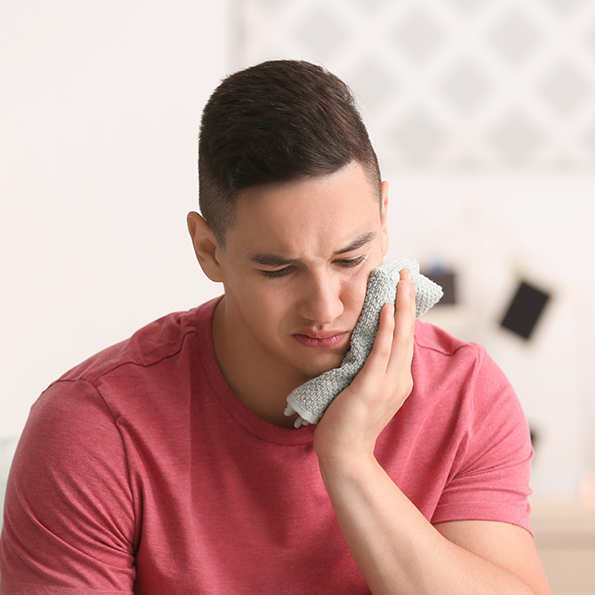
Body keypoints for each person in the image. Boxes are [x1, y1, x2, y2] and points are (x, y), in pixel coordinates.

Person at [0, 60, 552, 594]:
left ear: (384, 216)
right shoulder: (95, 427)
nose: (325, 306)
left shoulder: (464, 395)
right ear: (209, 249)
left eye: (348, 260)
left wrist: (350, 461)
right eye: (278, 269)